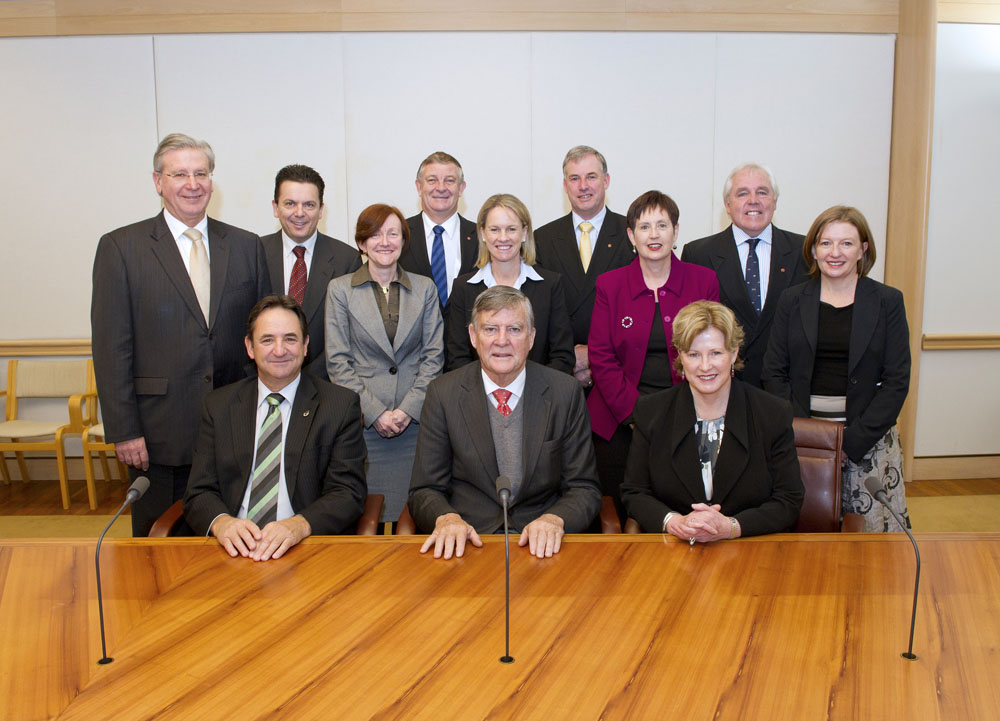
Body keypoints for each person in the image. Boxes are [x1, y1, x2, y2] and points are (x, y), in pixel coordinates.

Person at [91, 132, 269, 537]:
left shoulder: (245, 246)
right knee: (158, 551)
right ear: (158, 181)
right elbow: (111, 346)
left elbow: (261, 336)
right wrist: (124, 429)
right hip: (157, 434)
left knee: (235, 541)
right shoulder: (121, 248)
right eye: (180, 174)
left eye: (201, 173)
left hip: (235, 427)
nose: (192, 184)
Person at [409, 286, 602, 561]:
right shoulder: (443, 393)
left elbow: (584, 488)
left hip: (543, 546)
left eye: (514, 329)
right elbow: (424, 489)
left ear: (532, 337)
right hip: (469, 543)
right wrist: (447, 518)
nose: (502, 341)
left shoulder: (564, 392)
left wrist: (555, 519)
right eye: (490, 329)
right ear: (473, 337)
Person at [184, 296, 367, 560]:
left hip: (305, 548)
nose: (279, 350)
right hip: (233, 548)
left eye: (290, 339)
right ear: (249, 347)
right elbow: (199, 492)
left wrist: (299, 525)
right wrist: (223, 523)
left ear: (305, 346)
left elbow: (348, 493)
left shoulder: (339, 406)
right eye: (267, 340)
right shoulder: (219, 406)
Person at [763, 206, 911, 532]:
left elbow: (897, 380)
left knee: (871, 543)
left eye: (846, 243)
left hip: (868, 440)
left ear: (863, 249)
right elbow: (774, 371)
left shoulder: (888, 301)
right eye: (826, 243)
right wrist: (802, 430)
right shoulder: (792, 300)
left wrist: (853, 442)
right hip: (803, 438)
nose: (835, 252)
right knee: (804, 534)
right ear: (813, 249)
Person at [621, 301, 804, 539]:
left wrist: (731, 527)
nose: (705, 366)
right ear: (681, 357)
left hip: (750, 547)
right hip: (675, 550)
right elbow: (634, 492)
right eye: (694, 354)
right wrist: (673, 522)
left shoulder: (772, 412)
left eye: (715, 353)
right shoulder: (651, 411)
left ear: (734, 352)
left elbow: (789, 499)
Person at [588, 191, 719, 516]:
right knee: (622, 510)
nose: (654, 234)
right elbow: (601, 356)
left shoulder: (704, 281)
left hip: (690, 414)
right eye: (645, 227)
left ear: (676, 231)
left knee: (685, 509)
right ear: (631, 235)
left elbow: (714, 352)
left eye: (662, 225)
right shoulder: (610, 284)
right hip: (619, 420)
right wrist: (637, 416)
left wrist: (677, 416)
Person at [326, 204, 444, 522]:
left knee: (416, 519)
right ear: (362, 243)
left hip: (415, 424)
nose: (385, 241)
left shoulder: (425, 288)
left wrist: (407, 410)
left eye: (393, 233)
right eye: (375, 234)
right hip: (364, 425)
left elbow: (434, 358)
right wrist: (376, 413)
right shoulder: (340, 290)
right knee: (369, 521)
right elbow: (338, 362)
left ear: (404, 241)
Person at [681, 163, 809, 387]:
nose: (753, 200)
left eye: (762, 192)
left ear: (775, 202)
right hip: (724, 388)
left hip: (787, 389)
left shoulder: (805, 251)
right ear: (727, 205)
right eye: (742, 193)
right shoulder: (699, 254)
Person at [534, 145, 635, 387]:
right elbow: (538, 309)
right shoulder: (542, 239)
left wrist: (595, 354)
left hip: (619, 370)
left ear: (606, 180)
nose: (583, 186)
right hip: (559, 373)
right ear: (565, 185)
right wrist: (568, 354)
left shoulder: (631, 234)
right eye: (574, 178)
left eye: (591, 177)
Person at [445, 193, 574, 374]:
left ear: (524, 232)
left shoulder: (550, 285)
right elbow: (457, 359)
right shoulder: (463, 288)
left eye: (511, 229)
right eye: (495, 229)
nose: (503, 238)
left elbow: (562, 357)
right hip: (477, 398)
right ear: (482, 233)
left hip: (540, 397)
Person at [261, 164, 361, 379]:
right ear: (275, 207)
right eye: (290, 203)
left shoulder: (347, 260)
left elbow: (351, 335)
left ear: (321, 210)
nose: (299, 213)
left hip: (325, 384)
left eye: (309, 204)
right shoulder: (254, 253)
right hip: (265, 381)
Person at [399, 151, 479, 322]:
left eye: (449, 180)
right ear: (419, 187)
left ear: (461, 188)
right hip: (414, 347)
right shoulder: (398, 234)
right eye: (432, 180)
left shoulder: (484, 237)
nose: (441, 187)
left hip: (469, 345)